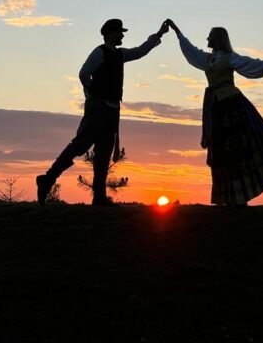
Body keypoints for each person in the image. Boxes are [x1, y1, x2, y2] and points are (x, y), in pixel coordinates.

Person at [36, 17, 169, 206]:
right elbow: (83, 74)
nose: (122, 35)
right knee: (80, 145)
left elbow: (140, 51)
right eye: (119, 32)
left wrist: (159, 34)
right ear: (110, 33)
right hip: (98, 108)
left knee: (104, 152)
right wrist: (93, 93)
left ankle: (98, 197)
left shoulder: (120, 54)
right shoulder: (99, 52)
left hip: (112, 110)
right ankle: (48, 179)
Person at [165, 19, 263, 206]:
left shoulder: (229, 57)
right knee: (221, 152)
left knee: (243, 147)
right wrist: (177, 30)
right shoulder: (208, 59)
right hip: (217, 109)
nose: (207, 39)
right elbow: (191, 50)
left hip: (234, 106)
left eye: (210, 36)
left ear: (217, 39)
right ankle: (231, 197)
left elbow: (252, 64)